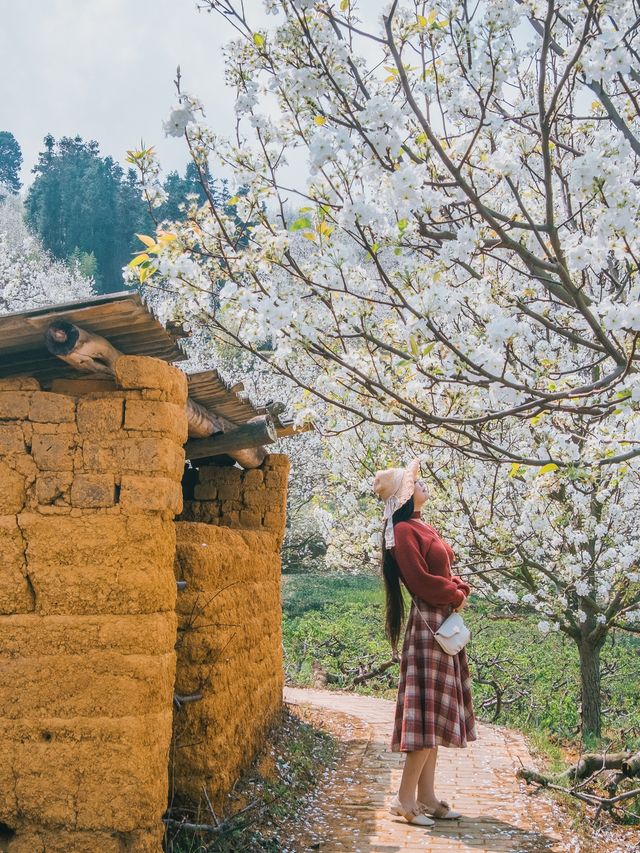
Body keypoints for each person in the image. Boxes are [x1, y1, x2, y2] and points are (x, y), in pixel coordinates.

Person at [373, 459, 477, 828]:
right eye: (417, 483)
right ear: (405, 494)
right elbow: (419, 579)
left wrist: (457, 588)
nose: (423, 486)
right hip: (430, 624)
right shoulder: (402, 530)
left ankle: (427, 797)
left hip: (440, 620)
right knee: (426, 715)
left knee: (431, 715)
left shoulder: (417, 525)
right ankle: (404, 799)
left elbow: (440, 572)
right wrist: (454, 594)